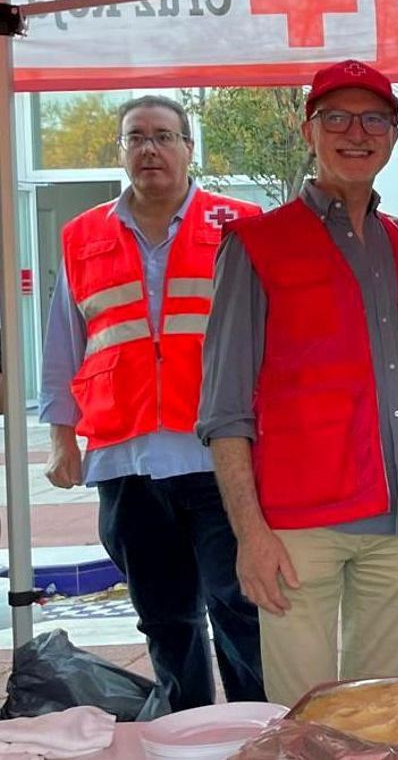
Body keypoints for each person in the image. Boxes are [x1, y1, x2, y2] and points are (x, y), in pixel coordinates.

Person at [199, 60, 398, 704]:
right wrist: (251, 535)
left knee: (379, 719)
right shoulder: (256, 243)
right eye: (335, 117)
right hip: (296, 533)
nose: (356, 132)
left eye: (374, 118)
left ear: (393, 136)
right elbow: (224, 409)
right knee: (303, 723)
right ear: (307, 130)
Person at [40, 95, 264, 711]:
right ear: (120, 151)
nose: (150, 149)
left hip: (220, 456)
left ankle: (257, 734)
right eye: (135, 137)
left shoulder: (240, 224)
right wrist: (63, 437)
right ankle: (185, 734)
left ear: (190, 149)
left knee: (241, 609)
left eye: (164, 136)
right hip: (126, 461)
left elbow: (273, 339)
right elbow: (64, 342)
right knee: (166, 620)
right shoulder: (83, 235)